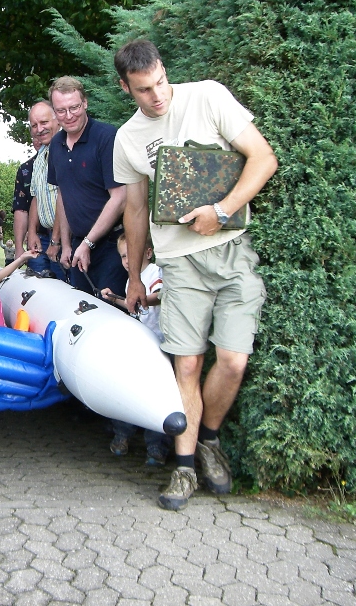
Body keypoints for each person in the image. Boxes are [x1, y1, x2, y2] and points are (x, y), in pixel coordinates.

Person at [113, 39, 278, 510]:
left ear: (165, 70)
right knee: (186, 364)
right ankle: (184, 468)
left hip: (231, 252)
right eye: (144, 90)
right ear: (126, 88)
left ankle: (209, 439)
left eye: (161, 82)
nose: (157, 96)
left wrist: (222, 211)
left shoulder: (208, 96)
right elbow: (135, 209)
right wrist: (135, 276)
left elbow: (263, 158)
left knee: (233, 360)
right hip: (178, 263)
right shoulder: (128, 138)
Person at [47, 76, 127, 295]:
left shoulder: (106, 137)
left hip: (112, 246)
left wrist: (88, 244)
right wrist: (66, 244)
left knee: (110, 307)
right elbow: (63, 194)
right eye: (61, 110)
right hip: (78, 246)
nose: (68, 116)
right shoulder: (56, 144)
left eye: (74, 107)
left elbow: (120, 197)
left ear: (85, 103)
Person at [101, 232, 172, 465]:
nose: (126, 260)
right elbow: (134, 307)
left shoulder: (154, 273)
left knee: (158, 395)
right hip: (138, 344)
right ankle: (122, 435)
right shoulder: (131, 281)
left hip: (159, 346)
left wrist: (138, 298)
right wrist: (115, 299)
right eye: (123, 256)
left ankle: (156, 446)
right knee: (128, 389)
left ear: (148, 252)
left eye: (131, 254)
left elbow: (159, 296)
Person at [26, 100, 66, 279]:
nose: (39, 129)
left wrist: (56, 240)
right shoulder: (40, 155)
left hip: (66, 237)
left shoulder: (66, 150)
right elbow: (36, 196)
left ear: (57, 120)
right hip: (47, 236)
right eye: (34, 125)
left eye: (44, 122)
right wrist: (32, 232)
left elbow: (64, 197)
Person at [12, 134, 41, 259]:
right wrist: (19, 247)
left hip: (65, 235)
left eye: (43, 135)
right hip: (36, 237)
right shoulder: (26, 169)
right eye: (35, 137)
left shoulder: (66, 160)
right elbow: (21, 209)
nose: (39, 141)